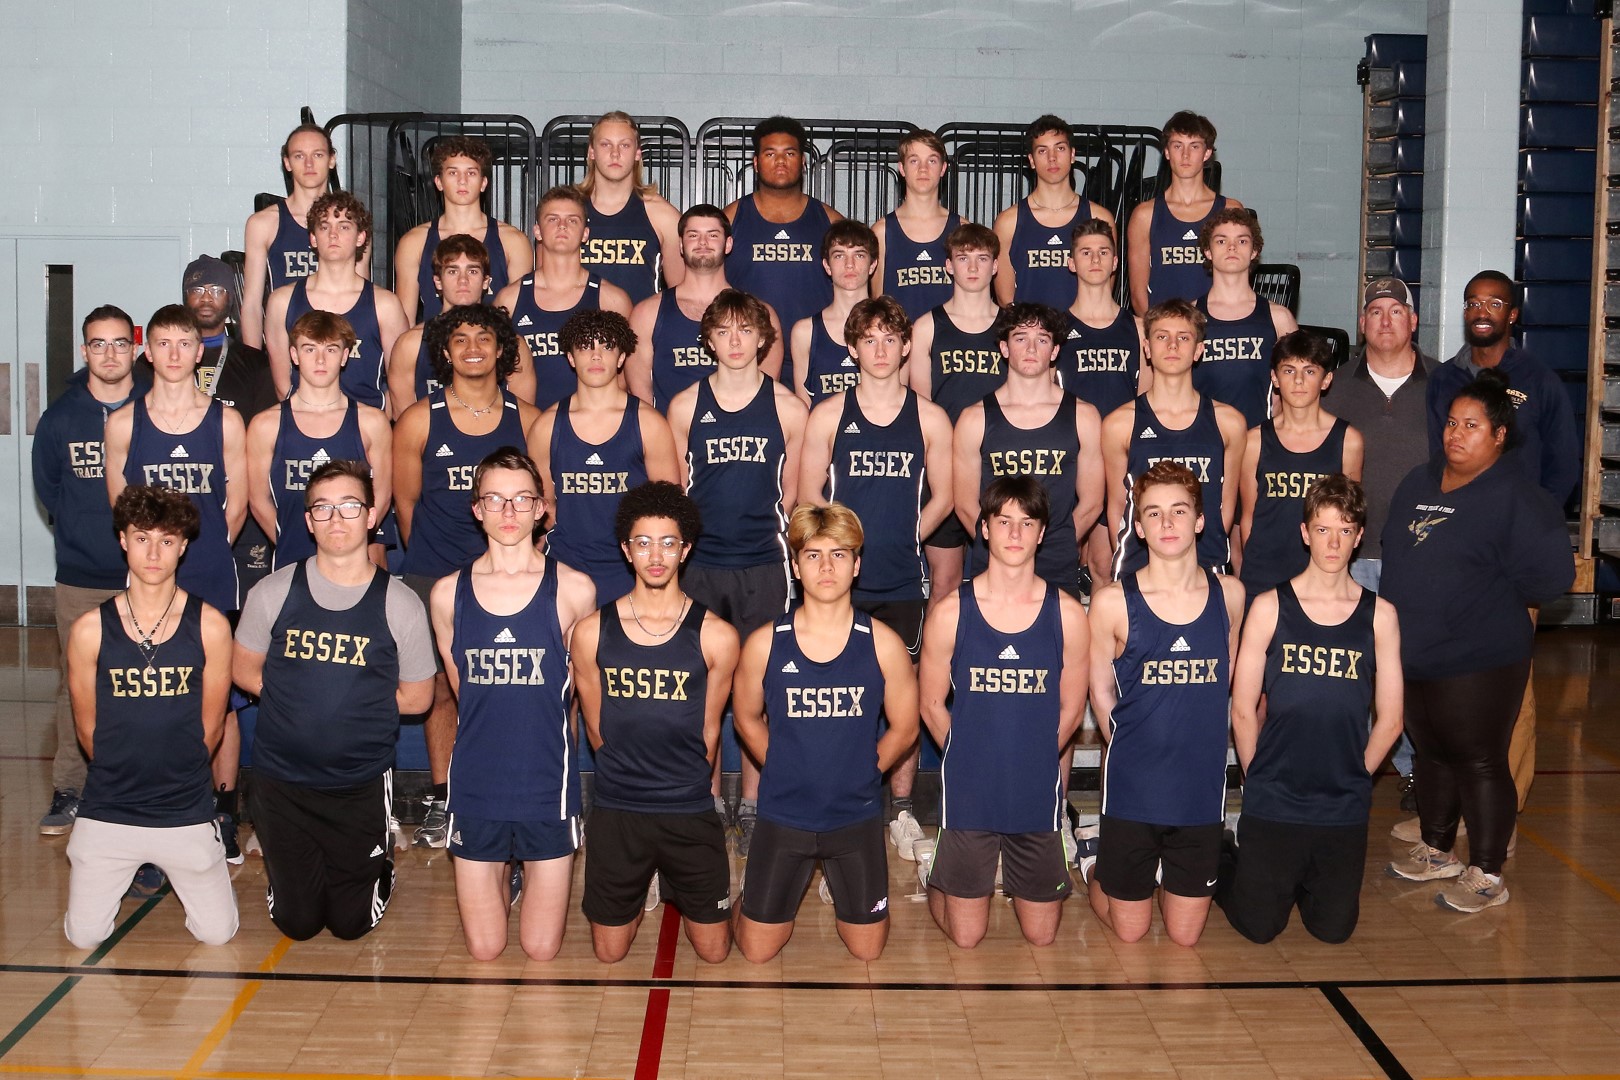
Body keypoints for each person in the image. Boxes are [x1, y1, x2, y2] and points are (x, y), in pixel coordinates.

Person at [1382, 370, 1573, 912]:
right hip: (1415, 652)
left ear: (1499, 436)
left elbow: (1552, 576)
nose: (1456, 434)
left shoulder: (1518, 496)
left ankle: (1487, 873)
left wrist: (1490, 598)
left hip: (1480, 659)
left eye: (1472, 425)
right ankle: (1437, 848)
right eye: (1451, 423)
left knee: (1479, 760)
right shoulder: (1418, 481)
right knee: (1431, 755)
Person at [232, 461, 436, 940]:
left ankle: (379, 866)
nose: (336, 518)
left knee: (350, 925)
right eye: (322, 508)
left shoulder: (400, 603)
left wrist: (350, 708)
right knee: (298, 924)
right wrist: (299, 702)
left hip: (357, 785)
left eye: (349, 506)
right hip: (282, 783)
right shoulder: (273, 591)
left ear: (371, 516)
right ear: (308, 521)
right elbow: (244, 671)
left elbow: (417, 698)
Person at [797, 295, 954, 860]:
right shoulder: (828, 414)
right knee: (833, 693)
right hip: (839, 585)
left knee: (902, 695)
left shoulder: (930, 417)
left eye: (891, 339)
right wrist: (838, 552)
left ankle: (902, 810)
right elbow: (807, 495)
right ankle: (834, 802)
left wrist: (908, 533)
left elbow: (947, 496)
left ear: (907, 346)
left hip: (902, 581)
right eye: (870, 340)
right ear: (852, 348)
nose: (881, 350)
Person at [1422, 271, 1580, 826]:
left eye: (1494, 302)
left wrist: (1527, 529)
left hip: (1509, 564)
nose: (1482, 310)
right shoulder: (1445, 378)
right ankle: (1453, 810)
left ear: (1513, 314)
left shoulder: (1540, 381)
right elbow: (1436, 461)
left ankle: (1501, 815)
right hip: (1453, 557)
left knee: (1511, 686)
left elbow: (1563, 467)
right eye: (1473, 302)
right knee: (1448, 683)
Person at [731, 503, 919, 963]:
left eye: (839, 554)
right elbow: (746, 718)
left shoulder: (882, 643)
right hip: (784, 815)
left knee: (867, 951)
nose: (827, 566)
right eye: (813, 555)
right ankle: (750, 895)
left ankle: (840, 887)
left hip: (854, 816)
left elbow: (906, 726)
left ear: (856, 565)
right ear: (796, 567)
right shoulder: (765, 642)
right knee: (757, 952)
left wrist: (865, 770)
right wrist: (780, 765)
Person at [430, 449, 598, 960]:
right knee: (485, 949)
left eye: (522, 499)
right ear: (476, 509)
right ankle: (501, 866)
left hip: (547, 785)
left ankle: (519, 867)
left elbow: (576, 695)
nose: (508, 511)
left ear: (541, 509)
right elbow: (464, 692)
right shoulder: (447, 594)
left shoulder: (575, 590)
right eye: (495, 499)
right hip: (477, 784)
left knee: (541, 949)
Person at [1220, 476, 1403, 943]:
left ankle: (1298, 879)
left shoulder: (1380, 615)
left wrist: (1356, 777)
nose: (1333, 542)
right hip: (1275, 794)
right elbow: (1243, 707)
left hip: (1341, 801)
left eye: (1345, 530)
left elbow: (1391, 719)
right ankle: (1222, 853)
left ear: (1359, 536)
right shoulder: (1269, 606)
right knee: (1259, 928)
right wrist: (1257, 775)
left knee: (1332, 930)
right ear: (1305, 533)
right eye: (1323, 530)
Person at [62, 485, 237, 948]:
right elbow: (87, 729)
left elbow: (211, 727)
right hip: (110, 806)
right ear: (123, 540)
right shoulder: (89, 630)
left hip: (183, 807)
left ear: (183, 545)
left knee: (217, 935)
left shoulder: (211, 626)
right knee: (84, 938)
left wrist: (175, 778)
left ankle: (204, 848)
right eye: (142, 538)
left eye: (166, 539)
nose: (154, 553)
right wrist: (126, 775)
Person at [917, 476, 1089, 947]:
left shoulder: (1067, 614)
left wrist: (1033, 757)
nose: (1015, 533)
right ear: (985, 529)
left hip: (1034, 790)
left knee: (1041, 937)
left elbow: (1072, 708)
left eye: (1027, 523)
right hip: (970, 791)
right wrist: (968, 756)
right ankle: (936, 875)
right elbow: (930, 703)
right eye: (1004, 521)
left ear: (1042, 532)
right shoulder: (951, 612)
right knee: (966, 937)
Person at [572, 481, 740, 963]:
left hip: (687, 809)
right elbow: (596, 728)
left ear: (685, 549)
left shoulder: (717, 636)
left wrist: (684, 787)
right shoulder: (591, 632)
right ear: (627, 550)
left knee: (714, 953)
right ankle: (643, 880)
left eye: (668, 543)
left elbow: (709, 731)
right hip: (618, 809)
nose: (656, 555)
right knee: (609, 954)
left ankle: (732, 889)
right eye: (643, 543)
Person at [106, 304, 250, 861]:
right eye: (162, 343)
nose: (172, 353)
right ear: (148, 351)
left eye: (183, 343)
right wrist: (155, 561)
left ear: (199, 351)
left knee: (220, 701)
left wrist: (198, 551)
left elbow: (235, 508)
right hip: (147, 583)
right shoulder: (124, 424)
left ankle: (224, 811)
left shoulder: (226, 422)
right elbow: (121, 514)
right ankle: (152, 809)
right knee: (151, 695)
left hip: (209, 574)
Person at [394, 305, 541, 847]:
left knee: (511, 685)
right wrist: (436, 565)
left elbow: (543, 502)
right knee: (439, 690)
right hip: (434, 572)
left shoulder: (529, 419)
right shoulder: (418, 419)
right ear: (445, 351)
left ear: (502, 349)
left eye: (484, 337)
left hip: (510, 577)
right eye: (460, 339)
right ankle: (442, 798)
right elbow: (406, 505)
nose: (473, 347)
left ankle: (513, 795)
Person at [667, 289, 808, 855]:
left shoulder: (789, 409)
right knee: (698, 692)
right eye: (723, 331)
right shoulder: (684, 407)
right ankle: (701, 803)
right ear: (708, 339)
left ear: (763, 339)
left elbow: (792, 497)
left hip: (764, 568)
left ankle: (751, 804)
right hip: (700, 567)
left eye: (745, 330)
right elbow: (677, 494)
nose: (734, 341)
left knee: (760, 690)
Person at [1086, 462, 1245, 946]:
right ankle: (1094, 864)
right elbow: (1100, 692)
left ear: (1200, 520)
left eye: (1179, 510)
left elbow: (1227, 679)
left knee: (1184, 937)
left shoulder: (1230, 595)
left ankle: (1159, 875)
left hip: (1199, 789)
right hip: (1134, 788)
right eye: (1154, 513)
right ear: (1139, 526)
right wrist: (1130, 747)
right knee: (1130, 933)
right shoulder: (1112, 602)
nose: (1167, 522)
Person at [33, 305, 150, 835]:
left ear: (135, 348)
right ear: (84, 351)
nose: (109, 354)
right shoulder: (60, 418)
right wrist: (85, 532)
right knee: (76, 684)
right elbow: (49, 490)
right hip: (82, 577)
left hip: (149, 578)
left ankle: (141, 787)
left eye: (119, 343)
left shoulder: (155, 407)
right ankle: (69, 790)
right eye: (98, 344)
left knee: (148, 684)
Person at [1332, 278, 1436, 810]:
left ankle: (1418, 769)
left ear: (1413, 321)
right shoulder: (1335, 386)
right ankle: (1347, 767)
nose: (1387, 320)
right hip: (1352, 554)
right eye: (1376, 310)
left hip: (1424, 556)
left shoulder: (1445, 383)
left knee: (1415, 666)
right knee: (1352, 669)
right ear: (1362, 324)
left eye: (1397, 310)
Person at [528, 309, 680, 604]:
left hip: (631, 571)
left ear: (621, 357)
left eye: (607, 346)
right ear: (571, 358)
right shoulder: (546, 427)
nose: (596, 356)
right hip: (565, 567)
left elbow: (669, 507)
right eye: (585, 346)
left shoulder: (649, 423)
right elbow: (542, 505)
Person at [952, 303, 1103, 597]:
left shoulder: (1084, 416)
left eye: (1042, 339)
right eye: (1020, 338)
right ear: (1004, 348)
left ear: (1055, 350)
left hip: (1056, 563)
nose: (1031, 348)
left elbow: (1093, 502)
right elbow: (965, 505)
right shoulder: (974, 418)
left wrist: (1051, 540)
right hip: (993, 568)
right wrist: (1003, 545)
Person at [1104, 298, 1246, 579]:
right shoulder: (1119, 424)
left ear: (1198, 349)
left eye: (1183, 337)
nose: (1172, 345)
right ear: (1147, 348)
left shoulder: (1229, 423)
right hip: (1138, 567)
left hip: (1205, 565)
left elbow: (1225, 506)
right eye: (1161, 337)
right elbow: (1117, 508)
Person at [246, 311, 393, 570]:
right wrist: (289, 542)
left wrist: (349, 544)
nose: (320, 359)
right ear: (294, 355)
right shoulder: (265, 425)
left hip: (353, 562)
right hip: (291, 562)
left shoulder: (372, 422)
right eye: (310, 349)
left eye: (331, 349)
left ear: (345, 356)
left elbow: (382, 495)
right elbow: (258, 500)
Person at [908, 223, 1006, 602]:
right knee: (945, 582)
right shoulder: (927, 327)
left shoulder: (1012, 328)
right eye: (963, 258)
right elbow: (921, 411)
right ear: (948, 266)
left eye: (982, 258)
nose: (973, 267)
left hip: (998, 466)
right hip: (945, 469)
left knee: (1000, 579)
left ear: (995, 266)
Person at [1237, 331, 1362, 599]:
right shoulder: (1254, 441)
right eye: (1289, 370)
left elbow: (1349, 516)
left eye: (1310, 371)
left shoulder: (1348, 441)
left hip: (1321, 579)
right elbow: (1248, 517)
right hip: (1263, 577)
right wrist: (1253, 571)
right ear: (1274, 377)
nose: (1298, 380)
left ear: (1326, 379)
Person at [723, 116, 845, 389]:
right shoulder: (730, 219)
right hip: (748, 357)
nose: (780, 161)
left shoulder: (830, 221)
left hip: (817, 356)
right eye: (770, 154)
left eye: (789, 153)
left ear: (803, 162)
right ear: (756, 163)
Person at [625, 203, 785, 409]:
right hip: (671, 429)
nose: (702, 242)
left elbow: (765, 398)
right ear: (680, 245)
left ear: (728, 244)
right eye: (693, 235)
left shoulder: (760, 314)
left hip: (739, 428)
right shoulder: (647, 314)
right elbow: (642, 402)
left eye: (712, 235)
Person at [1059, 219, 1149, 584]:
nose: (1095, 260)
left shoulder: (1138, 328)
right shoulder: (1055, 329)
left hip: (1120, 458)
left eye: (1103, 252)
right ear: (1071, 262)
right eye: (1085, 252)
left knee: (1107, 565)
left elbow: (1146, 401)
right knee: (1070, 561)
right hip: (1073, 457)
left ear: (1115, 262)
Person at [265, 192, 409, 410]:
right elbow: (282, 385)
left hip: (365, 423)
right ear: (313, 238)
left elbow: (401, 385)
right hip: (303, 421)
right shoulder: (282, 302)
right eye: (324, 227)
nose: (333, 235)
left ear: (360, 237)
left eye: (344, 227)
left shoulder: (385, 305)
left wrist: (374, 423)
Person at [496, 185, 634, 411]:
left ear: (585, 233)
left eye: (572, 220)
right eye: (553, 219)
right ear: (537, 231)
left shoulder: (611, 299)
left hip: (590, 425)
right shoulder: (510, 299)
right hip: (527, 424)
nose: (562, 226)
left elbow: (623, 378)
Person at [387, 234, 537, 417]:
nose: (463, 280)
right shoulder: (410, 345)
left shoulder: (512, 344)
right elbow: (404, 421)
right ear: (437, 281)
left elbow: (523, 420)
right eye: (453, 271)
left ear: (486, 281)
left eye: (472, 271)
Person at [394, 134, 533, 324]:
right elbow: (405, 323)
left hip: (492, 342)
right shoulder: (413, 242)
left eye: (471, 173)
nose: (462, 180)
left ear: (483, 183)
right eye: (453, 173)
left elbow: (520, 320)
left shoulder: (513, 241)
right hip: (433, 342)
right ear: (438, 182)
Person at [993, 114, 1115, 309]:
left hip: (1082, 328)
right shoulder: (1008, 222)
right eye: (1042, 151)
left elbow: (1103, 294)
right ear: (1031, 160)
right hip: (1030, 327)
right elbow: (1006, 301)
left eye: (1060, 148)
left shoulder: (1098, 217)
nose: (1052, 158)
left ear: (1072, 154)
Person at [1125, 111, 1242, 313]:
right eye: (1177, 146)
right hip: (1163, 327)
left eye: (1194, 146)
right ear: (1167, 152)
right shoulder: (1145, 215)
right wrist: (1158, 328)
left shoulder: (1229, 211)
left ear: (1207, 153)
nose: (1185, 155)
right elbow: (1137, 293)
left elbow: (1239, 283)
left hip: (1215, 325)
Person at [242, 123, 345, 350]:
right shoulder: (264, 224)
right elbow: (251, 305)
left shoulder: (351, 224)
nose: (309, 164)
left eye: (317, 155)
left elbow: (362, 296)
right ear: (287, 163)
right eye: (299, 156)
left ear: (331, 159)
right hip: (285, 346)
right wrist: (252, 362)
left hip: (336, 347)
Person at [1193, 208, 1298, 429]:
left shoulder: (1279, 318)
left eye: (1242, 241)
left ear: (1254, 251)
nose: (1232, 247)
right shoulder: (1188, 316)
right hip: (1201, 439)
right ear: (1207, 251)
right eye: (1221, 241)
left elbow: (1296, 389)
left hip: (1259, 439)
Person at [578, 111, 685, 304]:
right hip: (577, 323)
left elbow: (682, 295)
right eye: (605, 144)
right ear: (591, 152)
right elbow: (545, 284)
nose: (615, 153)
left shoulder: (662, 215)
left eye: (625, 145)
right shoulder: (567, 211)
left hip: (639, 323)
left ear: (637, 153)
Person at [873, 129, 961, 321]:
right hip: (900, 338)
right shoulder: (882, 232)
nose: (923, 169)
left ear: (943, 168)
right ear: (902, 168)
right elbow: (877, 302)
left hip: (947, 339)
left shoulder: (961, 229)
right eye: (914, 161)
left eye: (932, 161)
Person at [791, 220, 878, 408]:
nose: (849, 264)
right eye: (839, 256)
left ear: (873, 265)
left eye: (859, 255)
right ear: (827, 265)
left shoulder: (892, 329)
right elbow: (803, 410)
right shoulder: (805, 332)